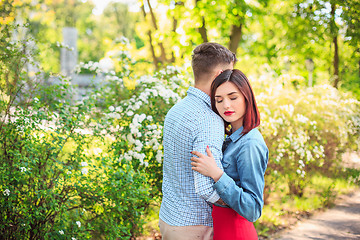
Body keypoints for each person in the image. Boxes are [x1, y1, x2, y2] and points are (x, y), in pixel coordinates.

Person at [159, 43, 237, 240]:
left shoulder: (176, 110)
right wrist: (236, 202)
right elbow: (205, 188)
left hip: (169, 219)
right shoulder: (209, 120)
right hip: (195, 227)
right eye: (230, 74)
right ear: (220, 74)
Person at [190, 69, 269, 240]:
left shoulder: (250, 143)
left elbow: (253, 209)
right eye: (219, 100)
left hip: (235, 231)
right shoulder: (231, 139)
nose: (226, 105)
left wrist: (217, 174)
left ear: (247, 97)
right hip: (221, 228)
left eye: (233, 98)